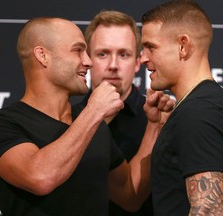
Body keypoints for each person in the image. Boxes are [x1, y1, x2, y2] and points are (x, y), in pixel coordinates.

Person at [0, 17, 174, 215]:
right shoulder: (0, 125)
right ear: (43, 56)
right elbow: (40, 177)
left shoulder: (91, 124)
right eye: (78, 50)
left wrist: (154, 126)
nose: (88, 62)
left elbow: (129, 196)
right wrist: (94, 111)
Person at [140, 1, 223, 215]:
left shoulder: (199, 113)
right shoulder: (205, 105)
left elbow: (208, 211)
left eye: (151, 47)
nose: (143, 57)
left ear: (183, 46)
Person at [75, 10, 153, 216]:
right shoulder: (66, 120)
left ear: (137, 62)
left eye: (124, 54)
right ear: (87, 59)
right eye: (102, 54)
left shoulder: (159, 121)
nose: (113, 65)